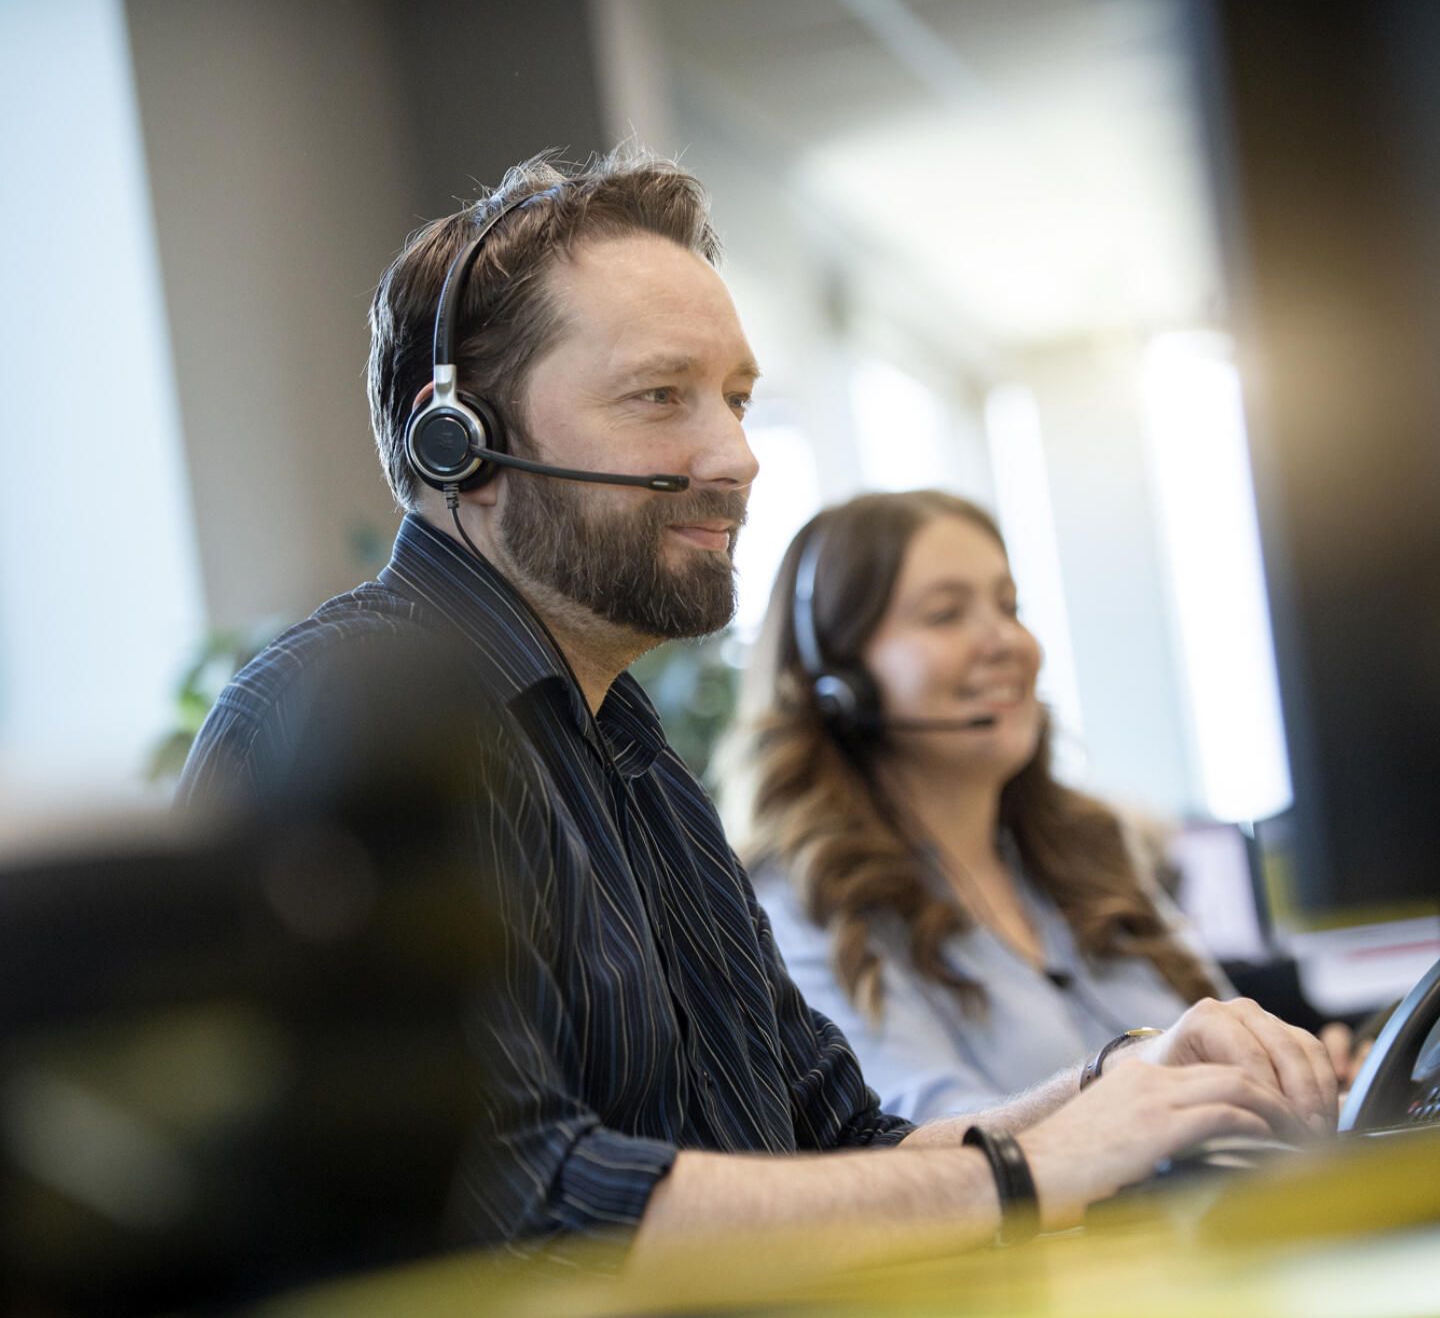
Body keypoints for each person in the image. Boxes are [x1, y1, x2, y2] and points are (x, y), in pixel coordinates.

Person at [179, 149, 1338, 1273]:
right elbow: (526, 1204)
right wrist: (1030, 1176)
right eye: (659, 397)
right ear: (461, 440)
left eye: (735, 399)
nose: (734, 456)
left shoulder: (638, 765)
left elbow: (842, 1150)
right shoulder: (339, 724)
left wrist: (1126, 1087)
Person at [724, 490, 1239, 1122]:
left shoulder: (1089, 849)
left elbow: (1225, 1028)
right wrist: (1141, 1082)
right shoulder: (807, 901)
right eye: (946, 614)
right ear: (839, 685)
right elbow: (919, 1139)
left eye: (1009, 606)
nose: (1008, 642)